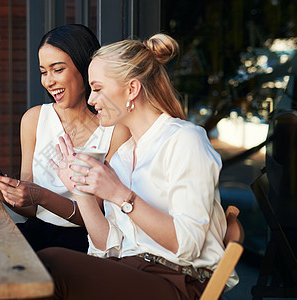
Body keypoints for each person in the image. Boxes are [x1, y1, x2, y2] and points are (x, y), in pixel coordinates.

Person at [37, 33, 239, 299]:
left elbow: (187, 245)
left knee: (48, 265)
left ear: (132, 89)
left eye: (97, 88)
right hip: (132, 273)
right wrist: (80, 192)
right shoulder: (122, 155)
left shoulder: (184, 140)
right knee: (37, 266)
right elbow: (107, 247)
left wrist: (120, 194)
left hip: (178, 282)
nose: (90, 100)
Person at [0, 24, 130, 253]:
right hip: (37, 233)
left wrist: (41, 195)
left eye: (57, 70)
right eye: (43, 72)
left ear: (85, 68)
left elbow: (96, 217)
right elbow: (29, 209)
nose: (48, 81)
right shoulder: (33, 119)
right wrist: (0, 188)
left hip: (87, 245)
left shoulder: (115, 130)